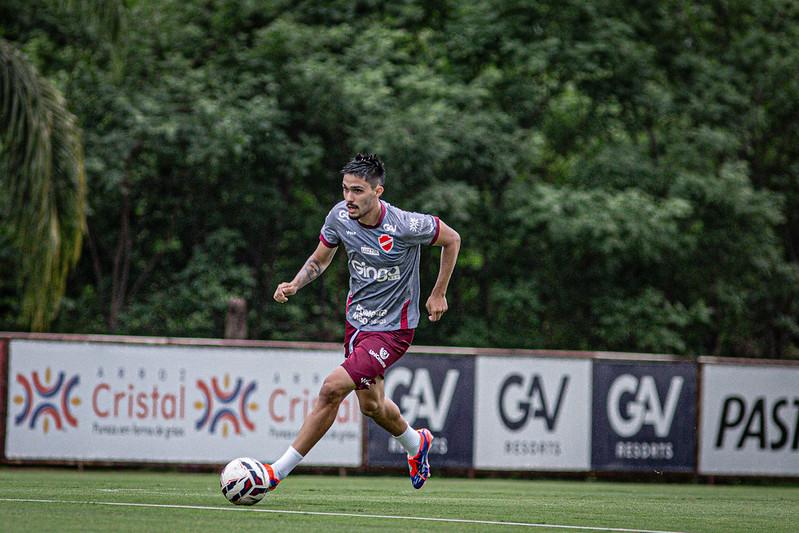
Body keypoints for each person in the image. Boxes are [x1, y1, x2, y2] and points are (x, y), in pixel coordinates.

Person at [267, 153, 461, 491]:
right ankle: (417, 443)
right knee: (372, 406)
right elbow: (320, 259)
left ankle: (274, 473)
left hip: (393, 330)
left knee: (332, 389)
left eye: (357, 191)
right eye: (345, 189)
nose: (349, 198)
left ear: (377, 191)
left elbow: (452, 239)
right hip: (357, 326)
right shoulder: (339, 217)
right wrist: (296, 283)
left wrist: (438, 292)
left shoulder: (405, 225)